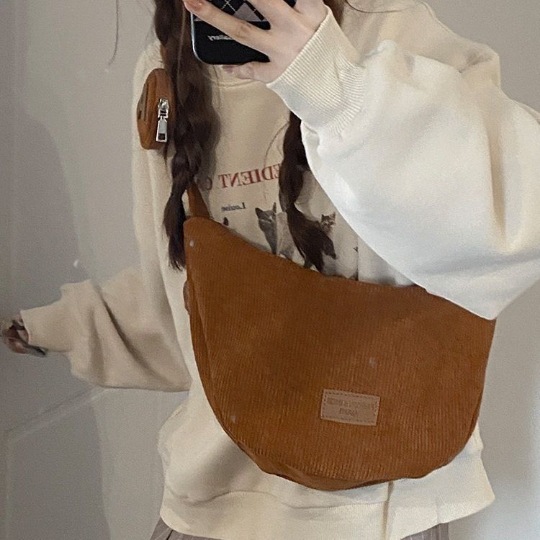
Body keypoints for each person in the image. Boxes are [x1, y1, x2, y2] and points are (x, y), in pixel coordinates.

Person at [3, 0, 540, 538]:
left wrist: (331, 83)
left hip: (379, 508)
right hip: (217, 504)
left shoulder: (394, 31)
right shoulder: (167, 73)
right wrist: (60, 326)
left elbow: (516, 215)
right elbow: (183, 306)